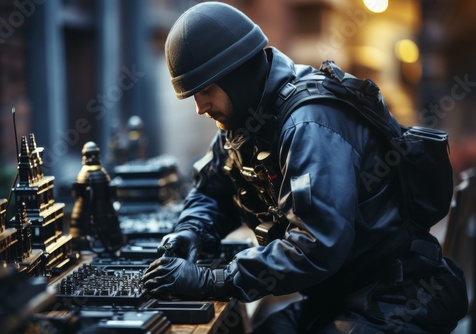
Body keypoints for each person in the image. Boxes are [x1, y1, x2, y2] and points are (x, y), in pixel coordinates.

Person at [141, 2, 468, 333]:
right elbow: (211, 189)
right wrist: (191, 231)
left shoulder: (310, 124)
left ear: (238, 74)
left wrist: (212, 280)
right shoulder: (245, 121)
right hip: (341, 295)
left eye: (206, 90)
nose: (200, 108)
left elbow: (315, 245)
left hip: (396, 300)